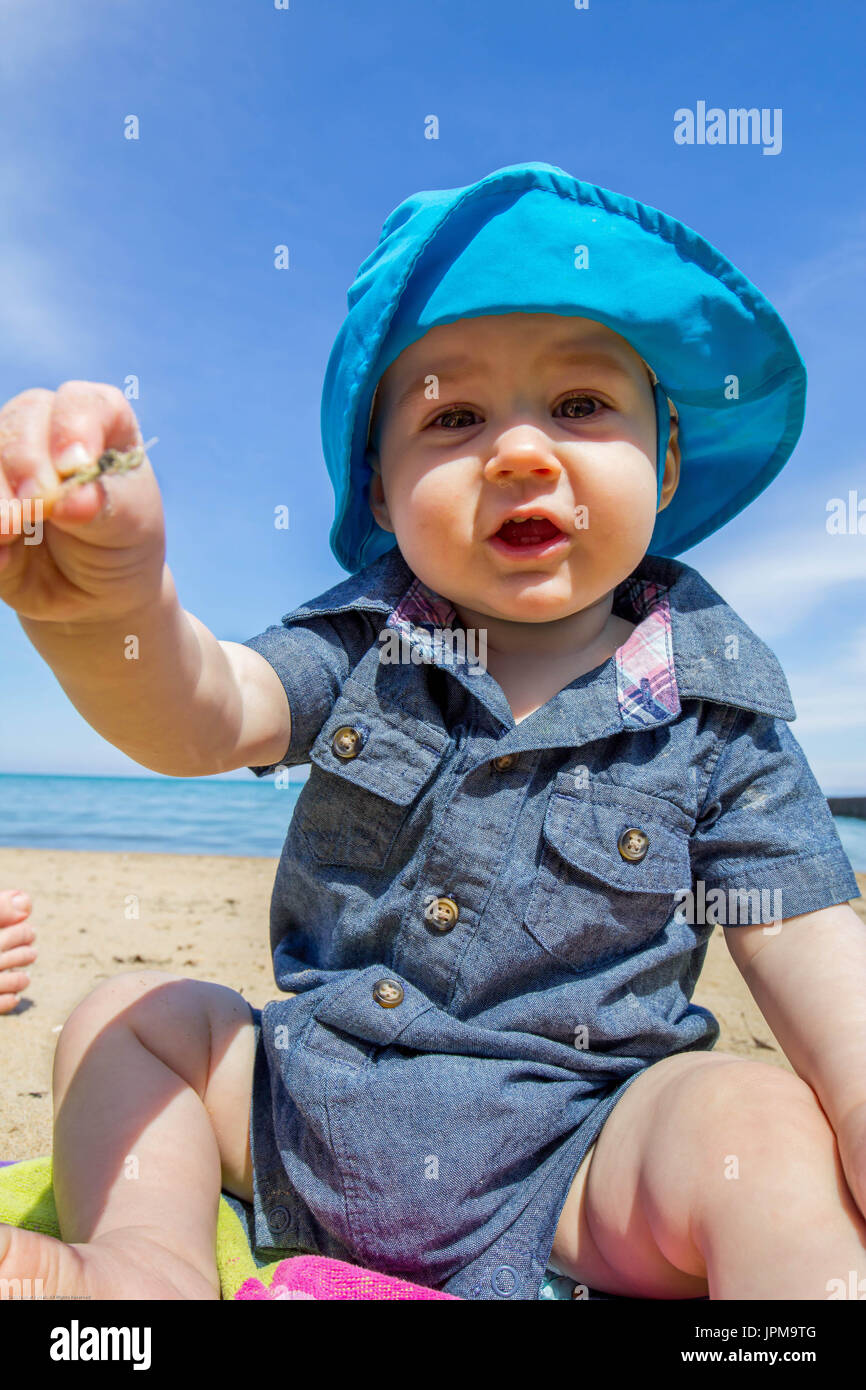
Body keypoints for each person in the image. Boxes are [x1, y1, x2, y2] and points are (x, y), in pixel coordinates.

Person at [0, 162, 864, 1301]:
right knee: (131, 1013)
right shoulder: (366, 637)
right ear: (382, 486)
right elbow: (208, 711)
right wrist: (116, 616)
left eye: (579, 406)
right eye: (452, 417)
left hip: (572, 1162)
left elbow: (803, 933)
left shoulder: (715, 712)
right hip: (298, 1114)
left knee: (750, 1116)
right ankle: (139, 1271)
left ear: (660, 462)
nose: (517, 452)